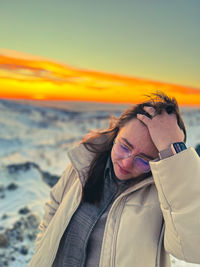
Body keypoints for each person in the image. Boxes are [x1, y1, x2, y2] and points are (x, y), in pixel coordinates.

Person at [29, 92, 200, 267]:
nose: (126, 163)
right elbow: (54, 208)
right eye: (124, 146)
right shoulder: (85, 161)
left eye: (143, 160)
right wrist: (41, 253)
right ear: (116, 134)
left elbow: (193, 247)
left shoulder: (164, 194)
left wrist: (173, 153)